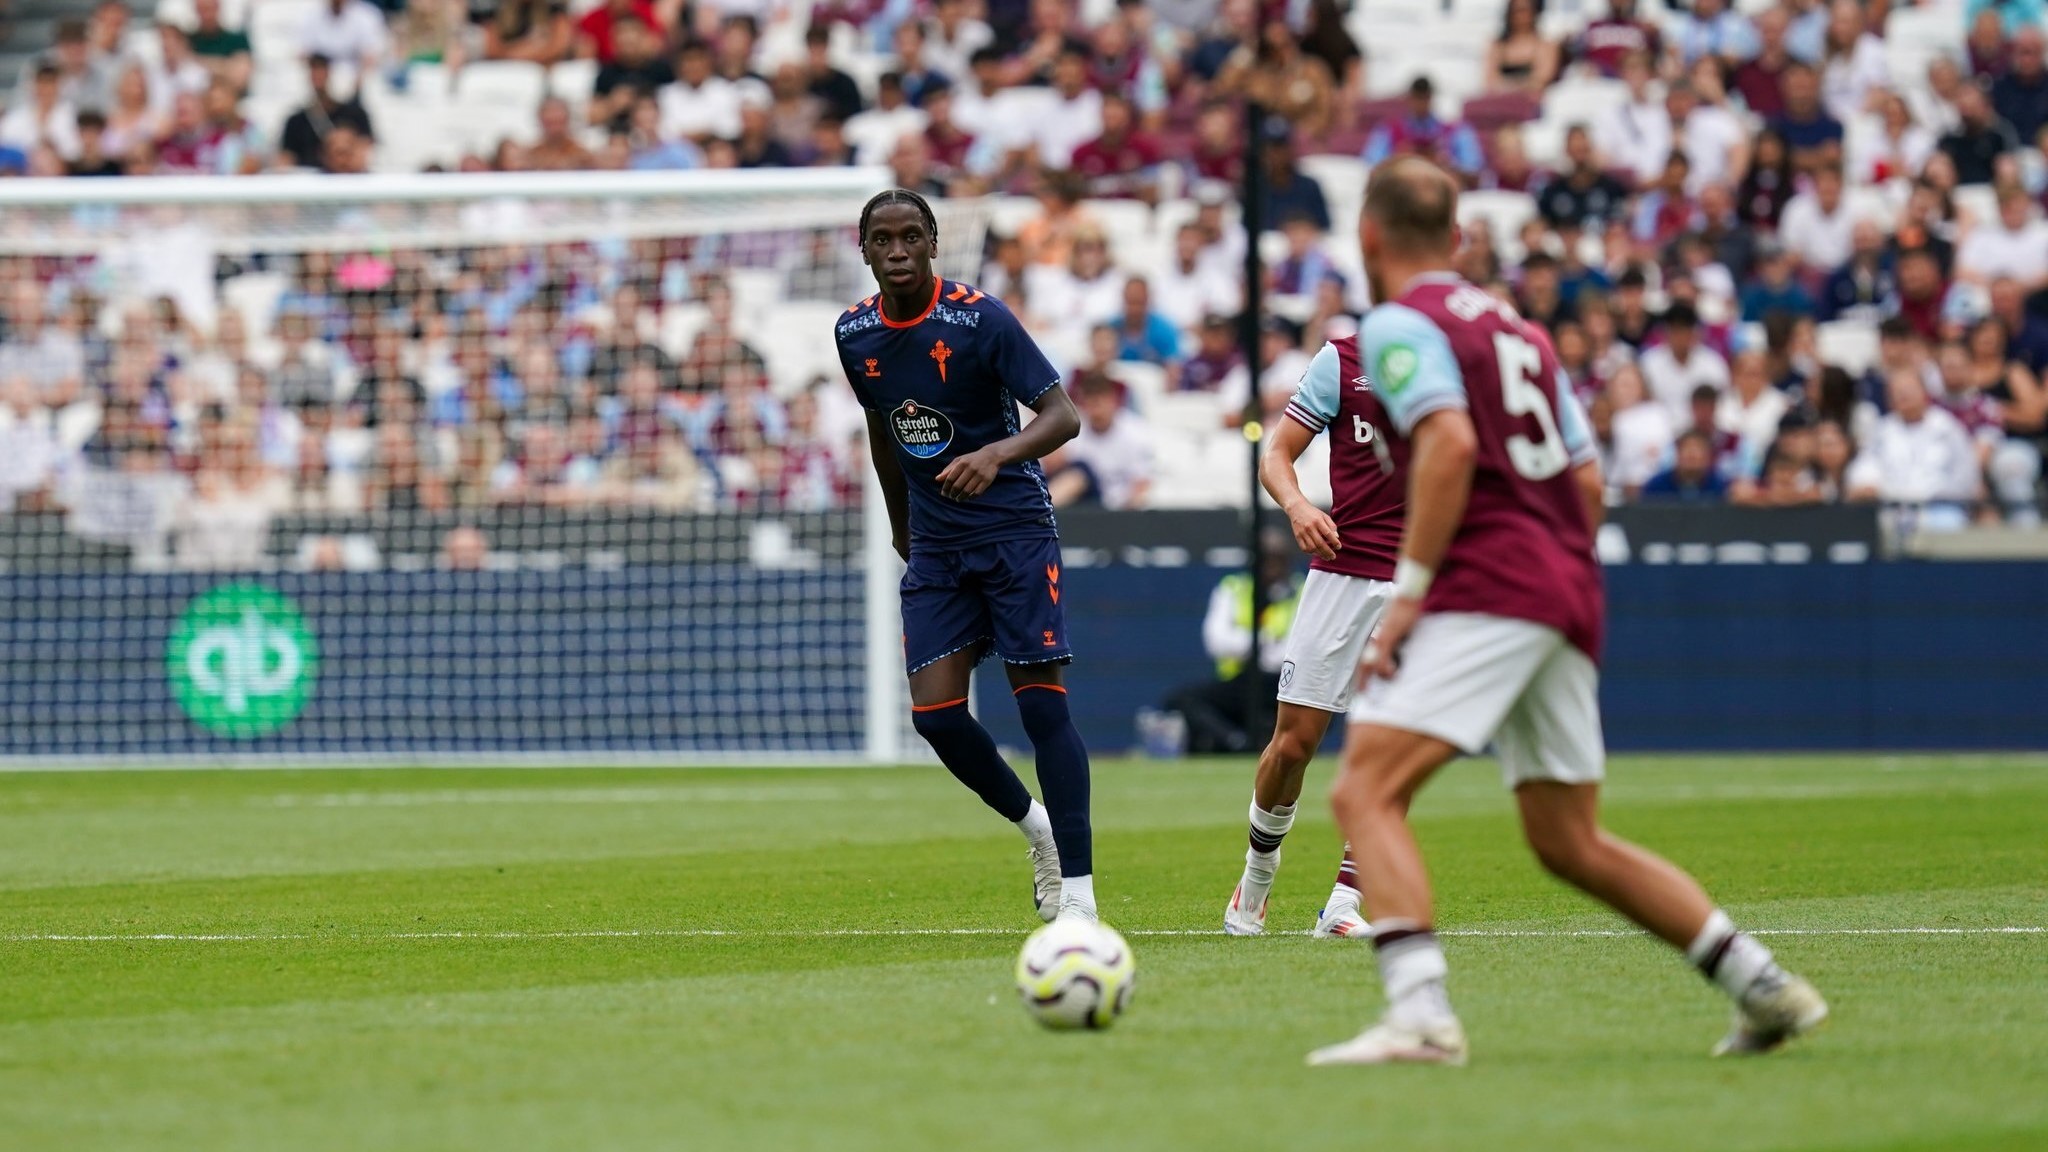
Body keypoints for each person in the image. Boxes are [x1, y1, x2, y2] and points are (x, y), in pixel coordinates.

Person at [1308, 157, 1825, 1067]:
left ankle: (1421, 1014)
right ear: (1460, 239)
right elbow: (1587, 481)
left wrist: (1421, 590)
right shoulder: (1521, 331)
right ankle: (1761, 984)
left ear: (1370, 238)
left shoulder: (1397, 325)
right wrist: (1550, 580)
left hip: (1490, 584)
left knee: (1363, 789)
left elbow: (1449, 442)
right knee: (1566, 838)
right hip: (1564, 585)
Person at [833, 188, 1098, 924]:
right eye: (882, 240)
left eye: (910, 237)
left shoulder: (980, 319)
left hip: (1013, 530)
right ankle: (1036, 828)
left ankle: (1079, 896)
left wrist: (997, 455)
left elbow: (1062, 416)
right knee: (938, 718)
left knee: (1042, 711)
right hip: (938, 543)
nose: (896, 252)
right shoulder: (853, 333)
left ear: (932, 242)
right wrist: (900, 528)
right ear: (864, 250)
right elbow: (885, 432)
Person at [1221, 305, 1415, 942]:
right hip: (1342, 572)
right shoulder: (1342, 360)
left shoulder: (1460, 366)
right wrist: (1299, 504)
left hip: (1418, 582)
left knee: (1397, 746)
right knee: (1294, 745)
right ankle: (1256, 879)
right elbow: (1276, 453)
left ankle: (1344, 900)